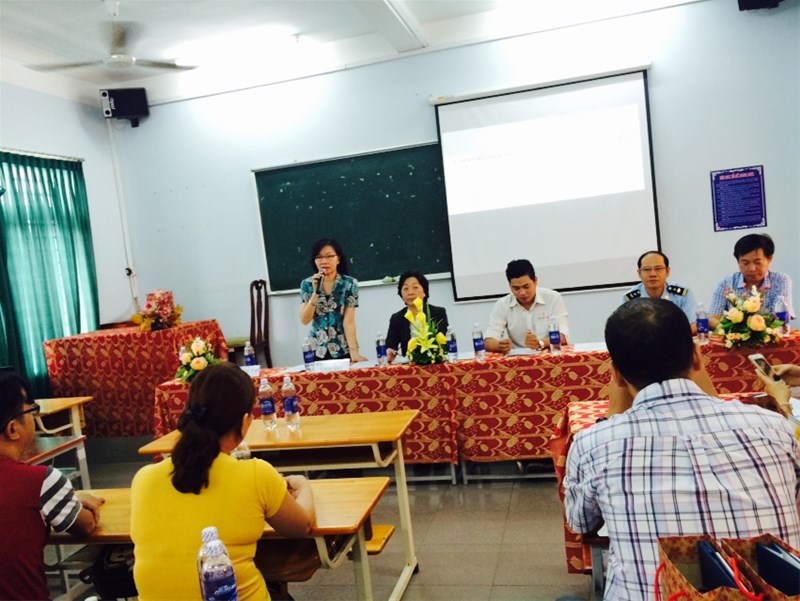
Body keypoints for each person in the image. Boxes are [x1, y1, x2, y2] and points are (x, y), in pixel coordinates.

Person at [564, 298, 800, 601]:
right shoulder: (775, 427)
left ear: (618, 376)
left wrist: (612, 419)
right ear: (698, 358)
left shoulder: (594, 444)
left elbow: (581, 523)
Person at [131, 363, 316, 601]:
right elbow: (301, 527)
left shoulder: (144, 478)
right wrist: (303, 485)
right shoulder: (256, 474)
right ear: (245, 421)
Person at [0, 371, 103, 600]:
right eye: (32, 410)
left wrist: (63, 499)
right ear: (13, 429)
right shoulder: (41, 481)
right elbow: (85, 526)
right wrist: (81, 502)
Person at [299, 238, 367, 362]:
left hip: (341, 349)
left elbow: (349, 321)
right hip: (316, 349)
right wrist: (315, 293)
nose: (324, 261)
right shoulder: (307, 284)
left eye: (329, 256)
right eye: (319, 257)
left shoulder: (349, 283)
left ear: (338, 259)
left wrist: (354, 353)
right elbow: (304, 320)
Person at [708, 233, 794, 328]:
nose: (752, 269)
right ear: (738, 261)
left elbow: (782, 320)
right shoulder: (725, 284)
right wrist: (737, 332)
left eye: (757, 262)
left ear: (769, 259)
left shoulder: (781, 280)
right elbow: (713, 319)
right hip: (735, 336)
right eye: (745, 263)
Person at [484, 259, 569, 353]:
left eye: (526, 287)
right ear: (510, 286)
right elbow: (489, 340)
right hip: (517, 359)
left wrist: (540, 343)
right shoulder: (502, 305)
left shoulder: (553, 298)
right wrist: (499, 346)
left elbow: (563, 336)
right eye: (516, 288)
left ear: (535, 281)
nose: (522, 293)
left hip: (549, 355)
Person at [622, 250, 698, 333]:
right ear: (639, 273)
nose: (653, 274)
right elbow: (626, 330)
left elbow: (693, 325)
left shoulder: (682, 294)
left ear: (667, 272)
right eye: (647, 269)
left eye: (658, 268)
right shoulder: (629, 299)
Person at [385, 270, 449, 362]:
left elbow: (441, 342)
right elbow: (390, 345)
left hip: (434, 363)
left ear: (424, 292)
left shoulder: (438, 313)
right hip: (409, 365)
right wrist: (390, 351)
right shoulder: (397, 318)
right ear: (401, 295)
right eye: (405, 289)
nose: (410, 292)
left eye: (415, 287)